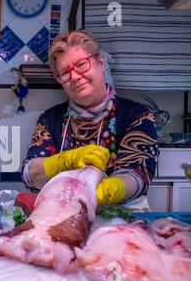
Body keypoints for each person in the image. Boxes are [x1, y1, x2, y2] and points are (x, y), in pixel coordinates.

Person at [21, 30, 159, 209]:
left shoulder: (137, 115)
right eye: (65, 73)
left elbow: (138, 175)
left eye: (81, 64)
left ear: (101, 63)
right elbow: (30, 175)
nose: (75, 77)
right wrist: (63, 161)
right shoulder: (50, 119)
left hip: (122, 220)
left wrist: (110, 190)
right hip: (62, 216)